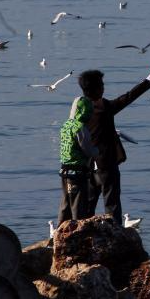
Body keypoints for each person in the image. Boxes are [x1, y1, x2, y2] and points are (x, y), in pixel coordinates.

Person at [79, 63, 150, 220]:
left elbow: (127, 97)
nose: (104, 88)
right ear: (95, 89)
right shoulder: (102, 109)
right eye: (101, 85)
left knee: (87, 206)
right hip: (105, 163)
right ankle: (115, 237)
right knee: (112, 206)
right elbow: (128, 97)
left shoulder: (80, 110)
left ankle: (87, 236)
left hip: (87, 165)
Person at [57, 96, 99, 224]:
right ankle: (77, 235)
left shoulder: (66, 125)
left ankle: (59, 233)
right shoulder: (79, 127)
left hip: (64, 171)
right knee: (78, 207)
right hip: (77, 174)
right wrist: (97, 150)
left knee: (65, 205)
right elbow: (87, 150)